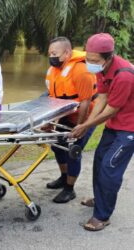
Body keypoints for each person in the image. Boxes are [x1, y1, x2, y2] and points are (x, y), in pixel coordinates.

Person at [71, 33, 134, 231]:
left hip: (129, 127)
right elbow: (103, 98)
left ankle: (102, 215)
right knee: (99, 159)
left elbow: (111, 110)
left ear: (108, 57)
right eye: (87, 58)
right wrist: (88, 123)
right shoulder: (101, 68)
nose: (89, 63)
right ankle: (100, 199)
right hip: (115, 124)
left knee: (110, 166)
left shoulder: (124, 75)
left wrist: (85, 126)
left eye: (94, 60)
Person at [44, 37, 98, 203]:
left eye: (55, 53)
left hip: (85, 117)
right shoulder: (54, 70)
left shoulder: (81, 70)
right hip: (66, 115)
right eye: (50, 53)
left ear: (67, 53)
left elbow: (85, 102)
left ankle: (70, 189)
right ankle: (63, 177)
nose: (51, 56)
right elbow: (55, 100)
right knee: (57, 146)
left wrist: (79, 127)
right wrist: (51, 122)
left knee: (72, 150)